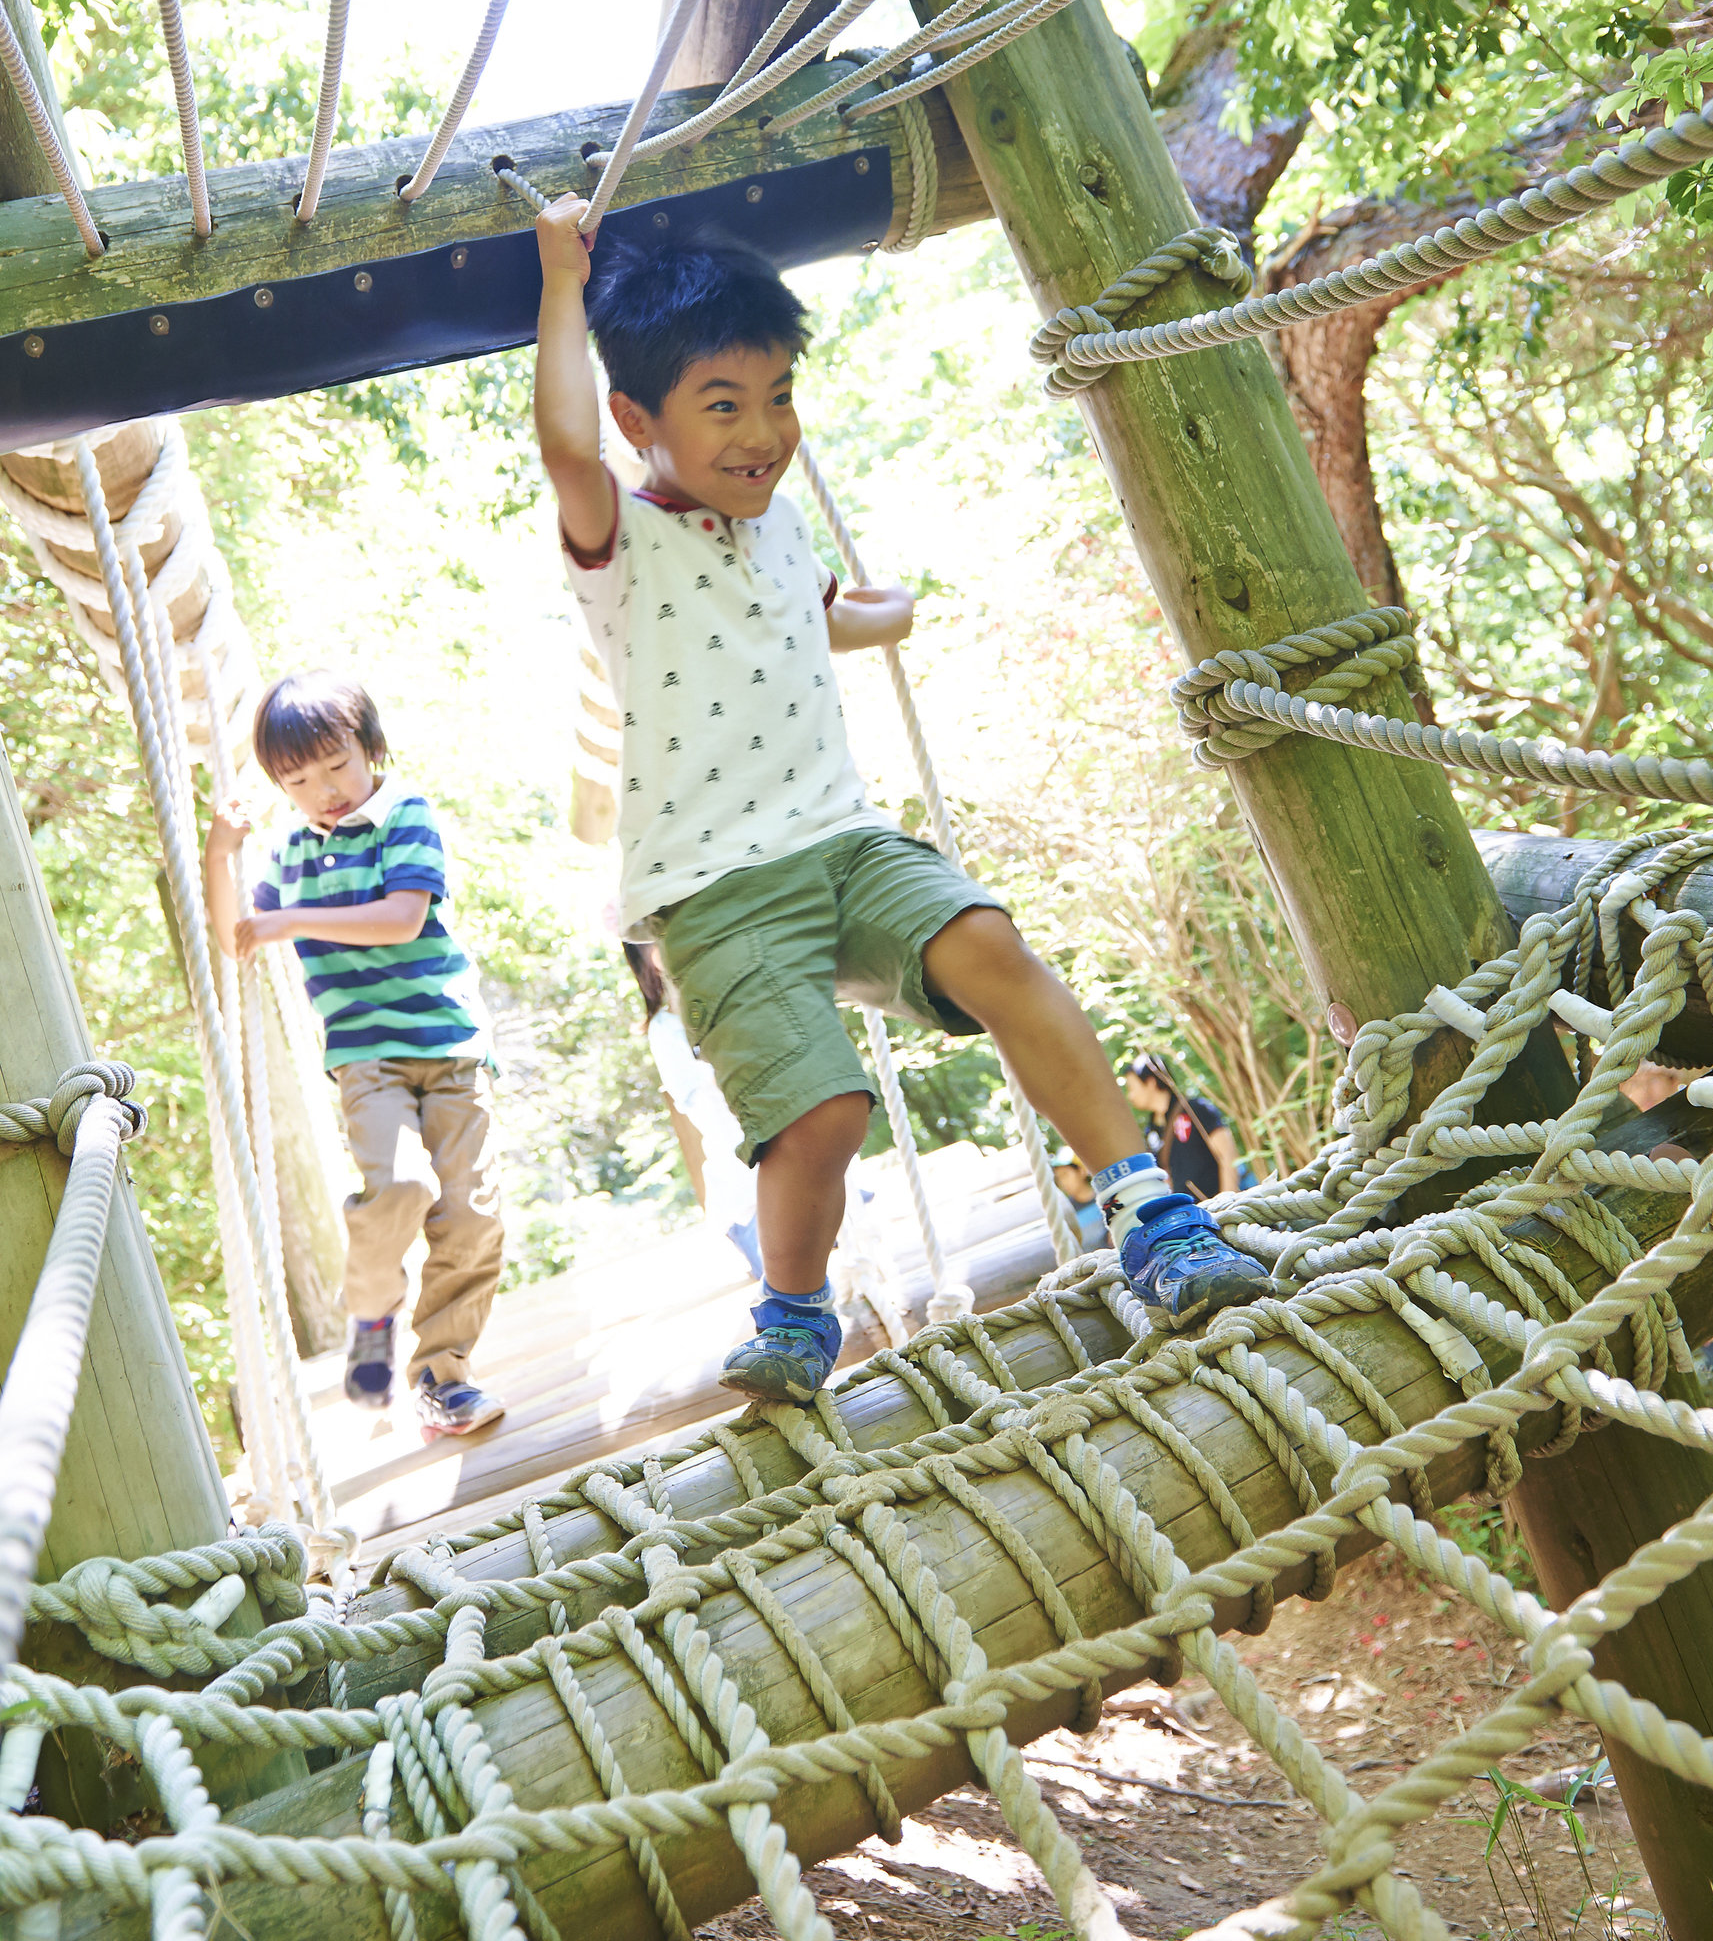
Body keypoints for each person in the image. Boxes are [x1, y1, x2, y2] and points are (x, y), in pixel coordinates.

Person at [532, 204, 1271, 1403]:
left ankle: (1149, 1211)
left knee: (991, 943)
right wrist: (563, 283)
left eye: (779, 396)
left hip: (843, 846)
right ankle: (794, 1307)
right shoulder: (619, 540)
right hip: (715, 894)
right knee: (820, 1112)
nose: (764, 432)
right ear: (638, 420)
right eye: (723, 405)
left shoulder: (778, 536)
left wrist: (900, 610)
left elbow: (828, 614)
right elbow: (565, 446)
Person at [204, 669, 505, 1441]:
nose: (323, 789)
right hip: (367, 1056)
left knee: (469, 1215)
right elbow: (236, 935)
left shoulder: (405, 813)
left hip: (449, 1043)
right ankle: (372, 1328)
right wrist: (220, 853)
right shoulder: (291, 852)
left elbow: (402, 918)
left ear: (370, 750)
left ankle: (442, 1374)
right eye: (297, 779)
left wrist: (289, 921)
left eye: (337, 765)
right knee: (400, 1188)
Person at [625, 940, 763, 1278]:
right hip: (711, 1101)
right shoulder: (664, 1025)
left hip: (737, 1087)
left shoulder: (705, 992)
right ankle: (743, 1227)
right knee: (734, 1158)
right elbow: (689, 1088)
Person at [1125, 1051, 1244, 1200]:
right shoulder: (1151, 1131)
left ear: (1150, 1082)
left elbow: (1227, 1154)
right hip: (1191, 1217)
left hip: (1221, 1207)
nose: (1130, 1096)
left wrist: (1229, 1201)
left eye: (1131, 1088)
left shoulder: (1195, 1110)